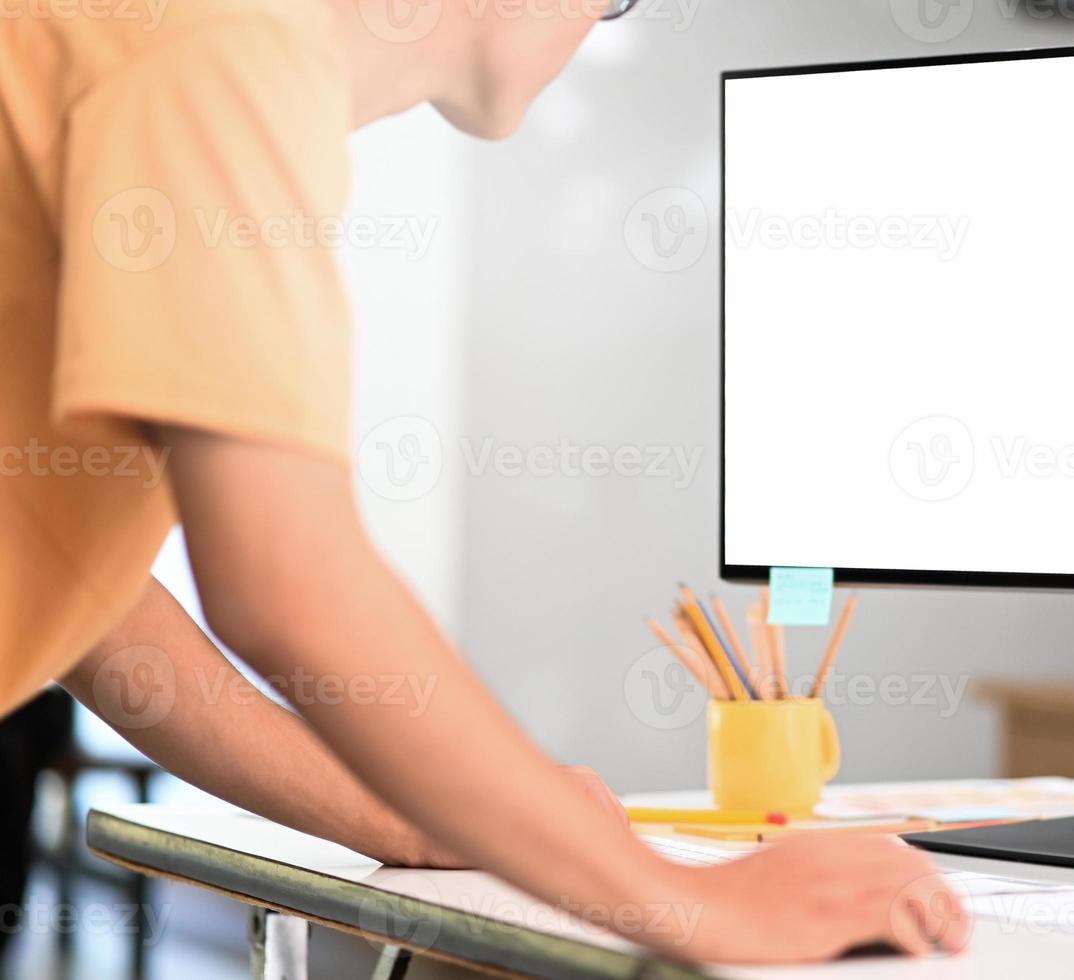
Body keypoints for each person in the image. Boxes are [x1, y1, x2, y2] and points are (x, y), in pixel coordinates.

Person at [0, 0, 970, 963]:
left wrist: (407, 811)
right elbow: (286, 585)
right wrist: (692, 904)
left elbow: (97, 607)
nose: (600, 24)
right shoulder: (228, 50)